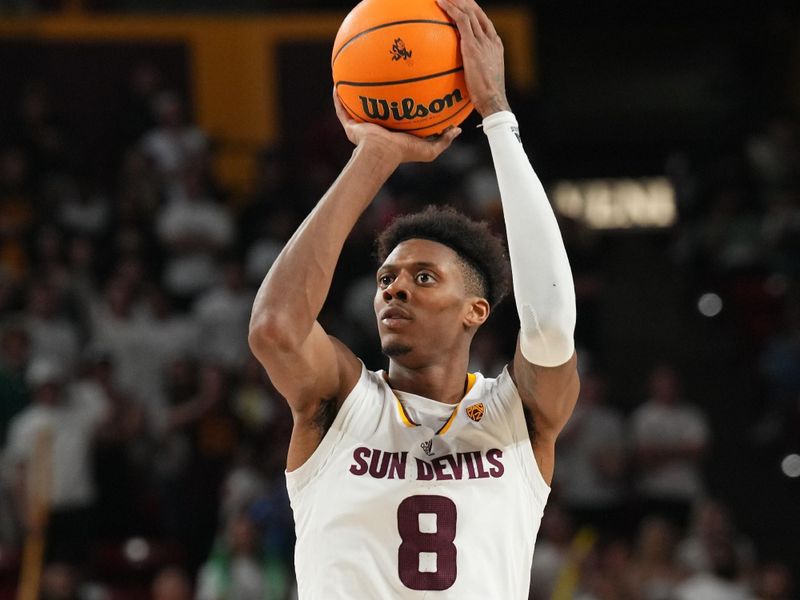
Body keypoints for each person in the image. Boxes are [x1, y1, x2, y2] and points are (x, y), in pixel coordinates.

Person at [248, 0, 579, 597]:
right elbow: (275, 327)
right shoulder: (340, 401)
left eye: (424, 278)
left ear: (476, 311)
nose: (394, 286)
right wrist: (375, 155)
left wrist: (498, 116)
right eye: (386, 280)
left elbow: (551, 325)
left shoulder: (516, 416)